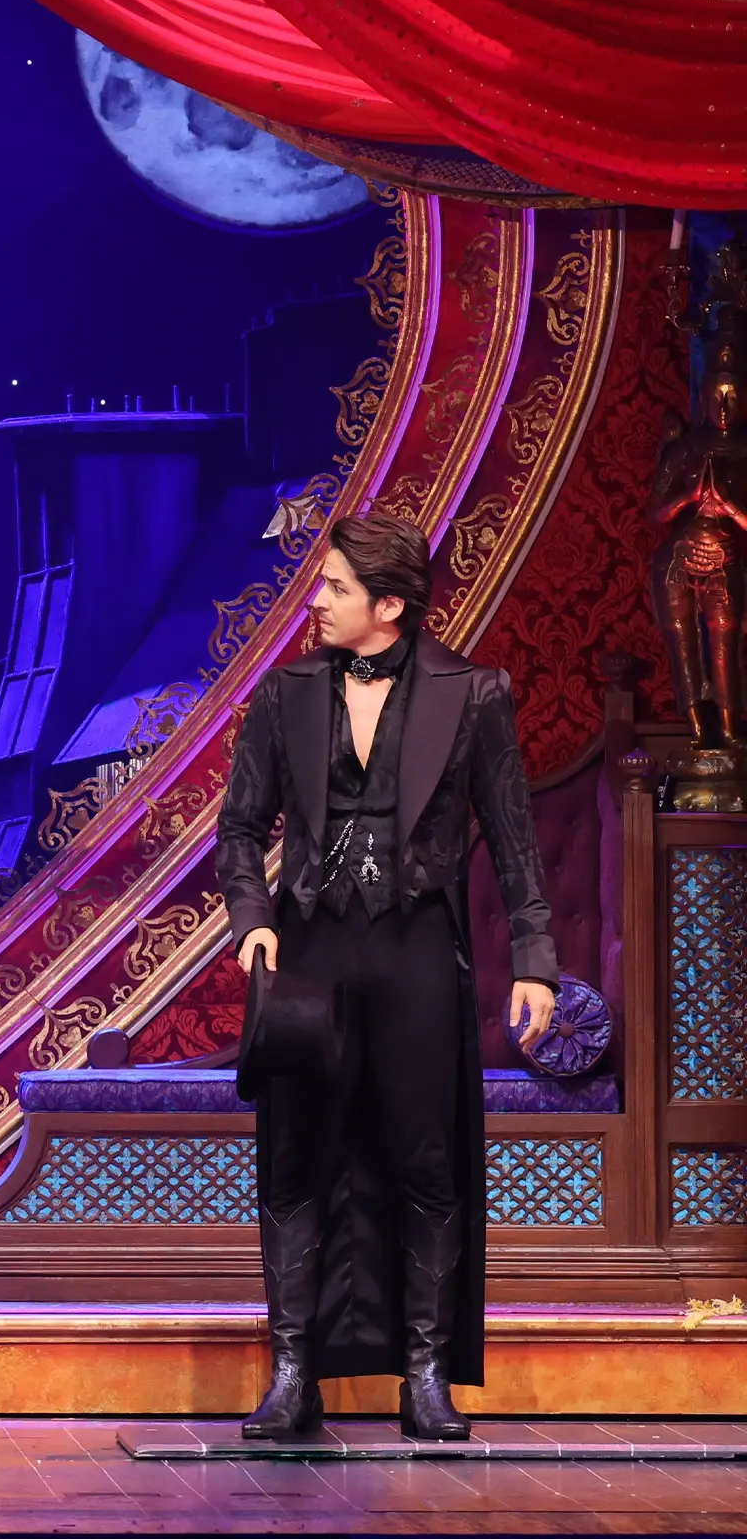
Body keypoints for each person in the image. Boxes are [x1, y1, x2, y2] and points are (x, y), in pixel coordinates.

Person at [216, 512, 557, 1442]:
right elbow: (240, 829)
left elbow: (516, 838)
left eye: (334, 588)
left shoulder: (473, 693)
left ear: (390, 605)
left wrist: (536, 963)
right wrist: (252, 923)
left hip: (414, 949)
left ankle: (425, 1376)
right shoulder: (283, 695)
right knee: (296, 1160)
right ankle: (293, 1375)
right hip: (310, 954)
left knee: (425, 1160)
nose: (315, 602)